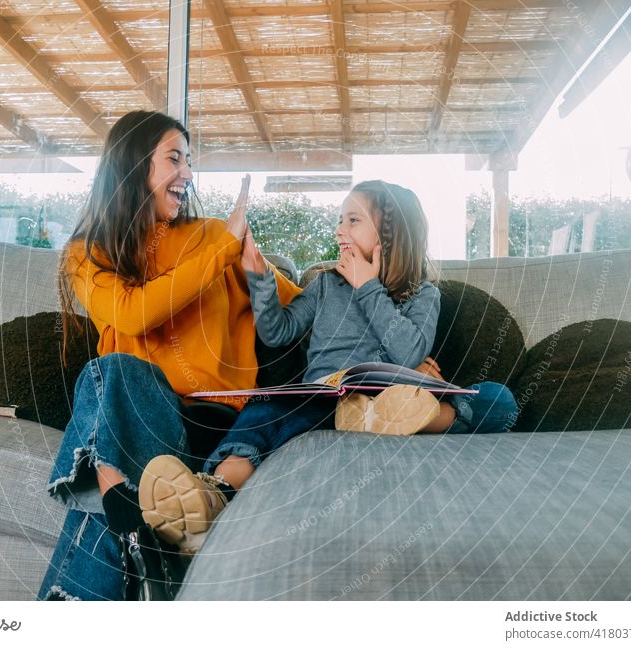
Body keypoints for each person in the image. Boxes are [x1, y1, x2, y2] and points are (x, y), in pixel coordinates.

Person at [139, 180, 519, 554]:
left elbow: (406, 354)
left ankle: (407, 415)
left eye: (353, 220)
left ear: (390, 233)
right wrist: (259, 276)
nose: (339, 229)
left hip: (389, 394)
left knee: (498, 399)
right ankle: (214, 493)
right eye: (340, 219)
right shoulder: (325, 287)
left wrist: (367, 286)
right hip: (327, 399)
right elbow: (277, 331)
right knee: (265, 410)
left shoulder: (422, 294)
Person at [37, 110, 301, 601]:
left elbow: (298, 305)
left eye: (189, 161)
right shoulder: (86, 253)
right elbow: (133, 314)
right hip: (140, 425)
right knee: (112, 372)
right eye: (174, 159)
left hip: (211, 424)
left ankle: (119, 509)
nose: (189, 174)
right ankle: (140, 535)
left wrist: (383, 341)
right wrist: (225, 243)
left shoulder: (209, 239)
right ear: (136, 167)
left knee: (108, 383)